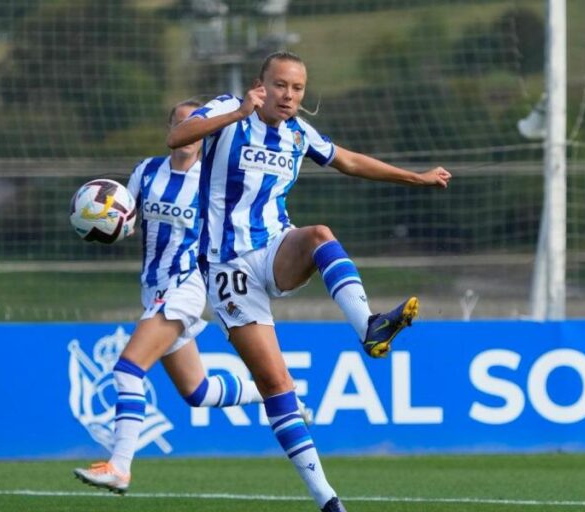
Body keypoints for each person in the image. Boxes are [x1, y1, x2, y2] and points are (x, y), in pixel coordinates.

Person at [166, 51, 451, 512]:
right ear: (262, 84)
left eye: (297, 88)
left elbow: (350, 161)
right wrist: (239, 110)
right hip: (227, 269)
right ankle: (329, 501)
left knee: (319, 235)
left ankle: (370, 327)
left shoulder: (299, 134)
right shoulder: (227, 111)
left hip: (275, 249)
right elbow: (176, 136)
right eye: (280, 85)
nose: (289, 95)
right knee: (276, 384)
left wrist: (414, 179)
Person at [73, 100, 311, 494]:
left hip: (188, 285)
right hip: (154, 288)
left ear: (204, 134)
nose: (189, 132)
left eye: (195, 124)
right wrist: (101, 222)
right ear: (171, 130)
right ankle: (284, 395)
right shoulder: (146, 172)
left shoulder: (211, 180)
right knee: (197, 392)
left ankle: (119, 466)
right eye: (181, 123)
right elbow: (124, 220)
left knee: (128, 369)